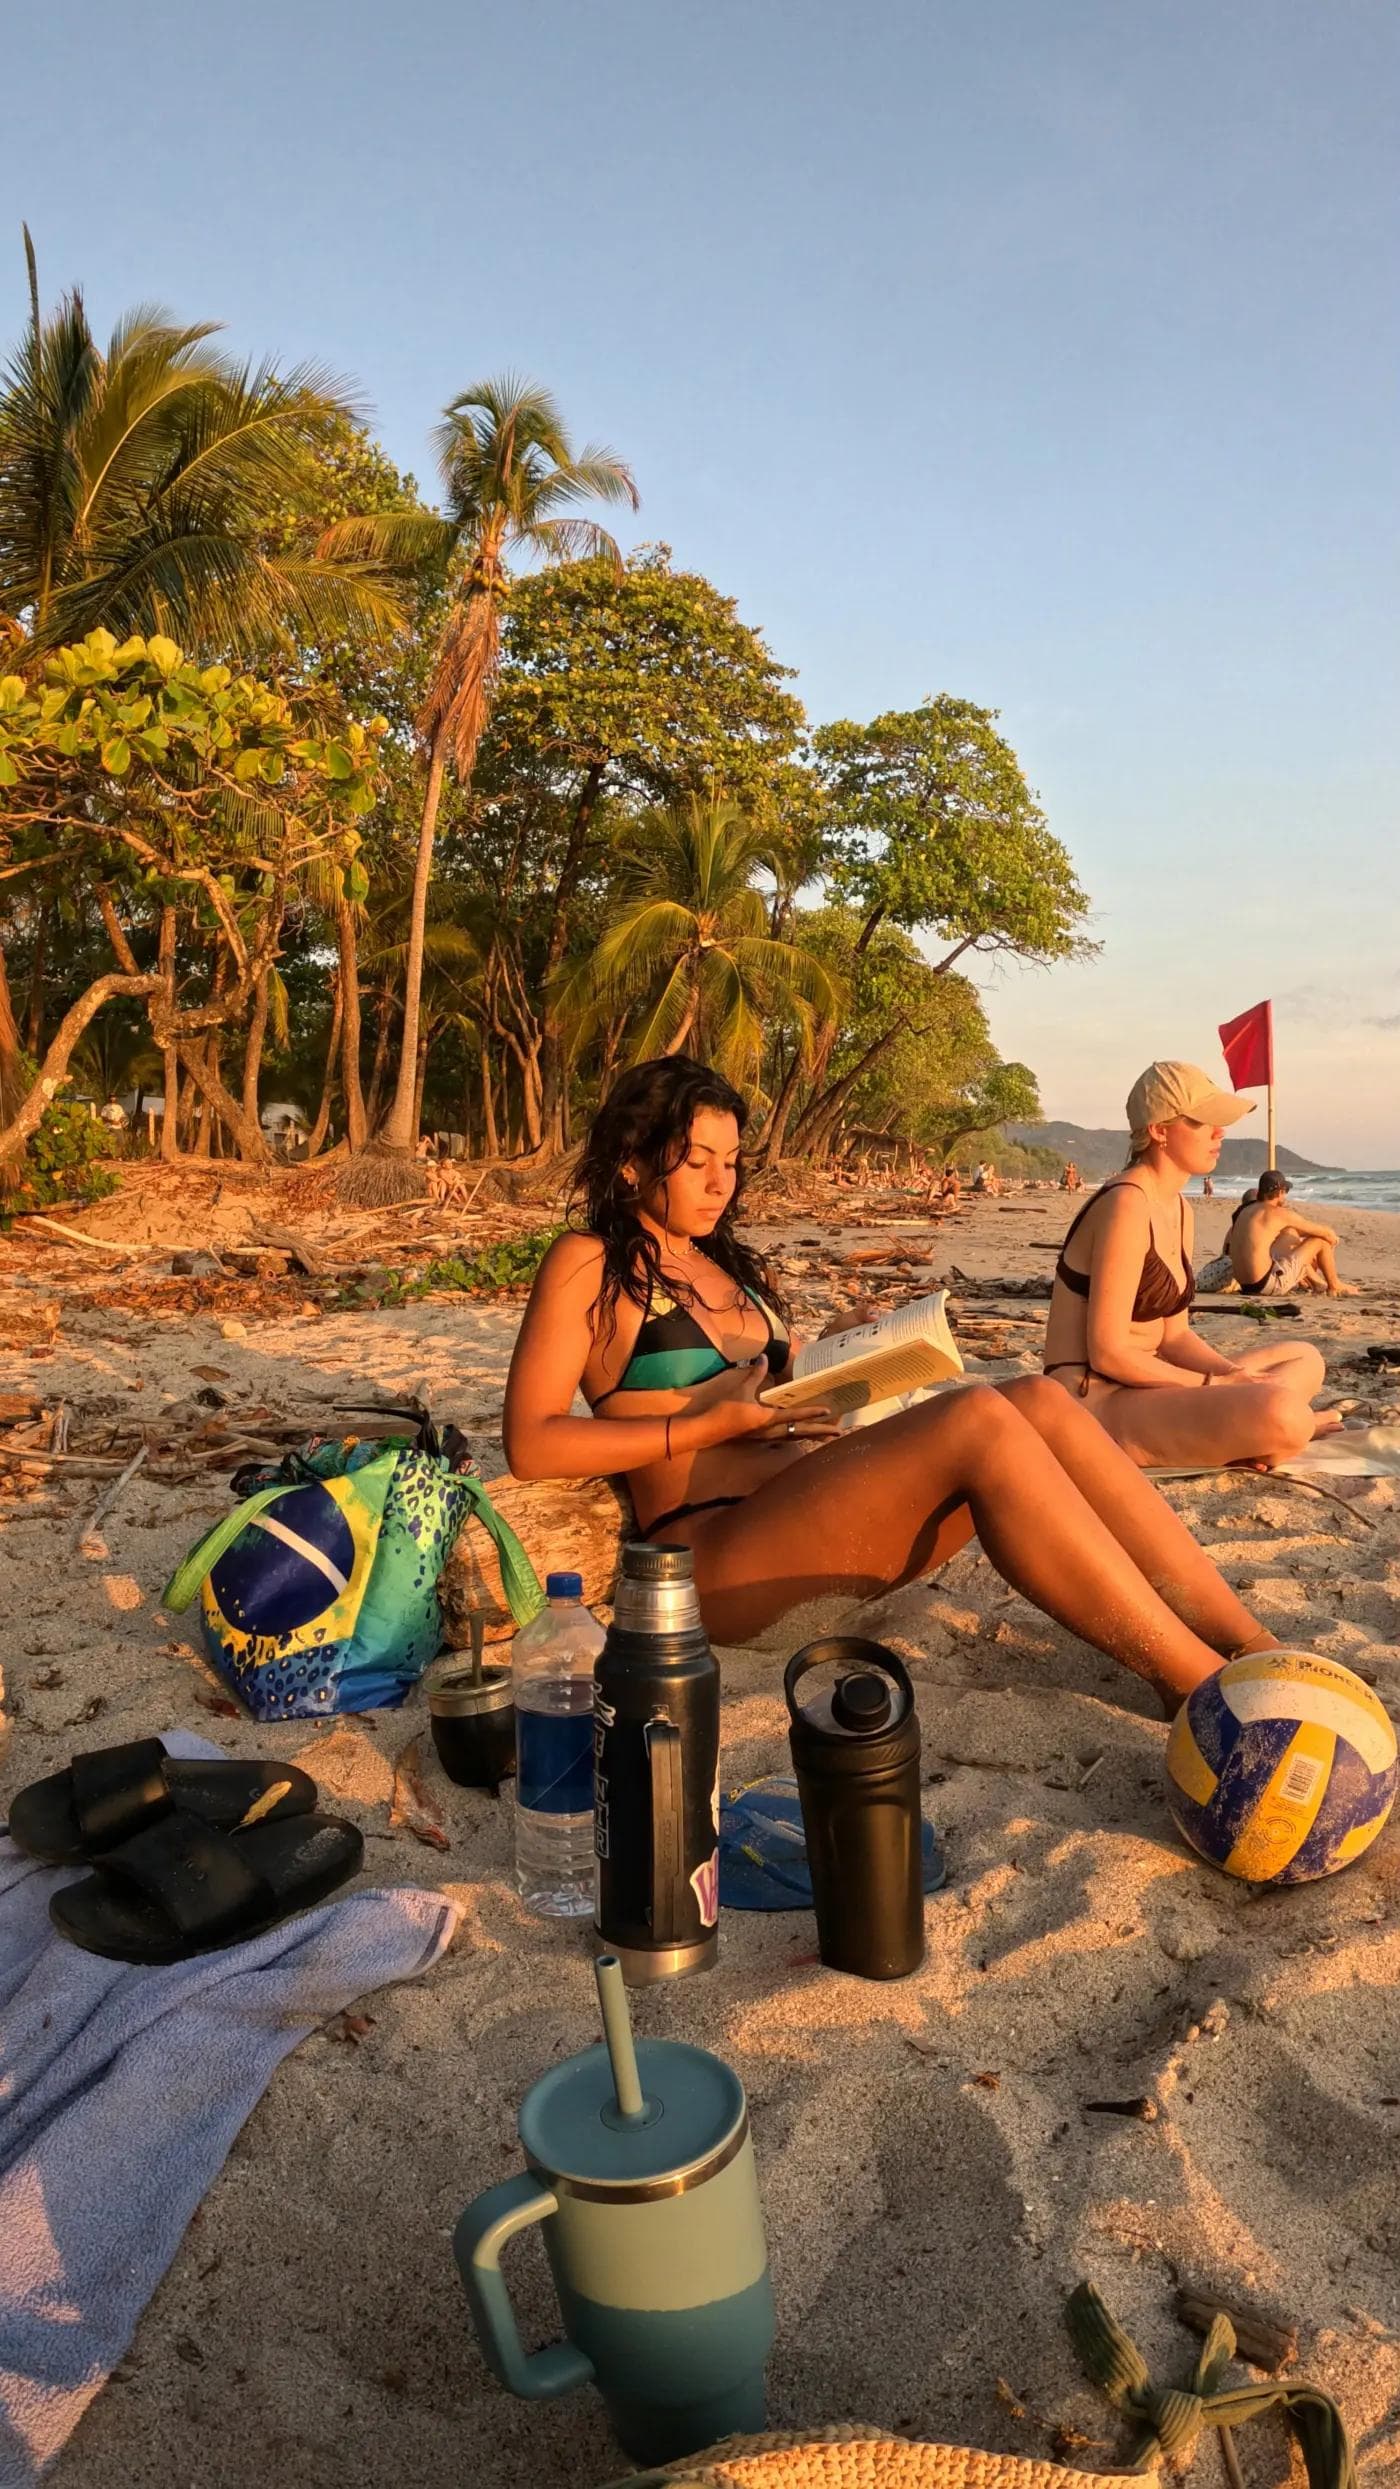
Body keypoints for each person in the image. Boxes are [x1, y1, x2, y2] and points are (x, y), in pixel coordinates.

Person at [503, 1057, 1286, 1713]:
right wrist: (711, 1426)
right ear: (634, 1159)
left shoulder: (722, 1264)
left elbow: (774, 1388)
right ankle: (1195, 1685)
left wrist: (840, 1352)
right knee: (979, 1416)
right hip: (715, 1555)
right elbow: (531, 1441)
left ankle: (1251, 1641)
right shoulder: (588, 1261)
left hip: (815, 1512)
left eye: (732, 1161)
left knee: (1038, 1398)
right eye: (697, 1160)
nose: (720, 1183)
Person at [1041, 1060, 1337, 1471]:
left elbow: (1175, 1336)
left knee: (1306, 1360)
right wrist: (1216, 1386)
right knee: (1283, 1414)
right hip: (1092, 1401)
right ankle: (1274, 1433)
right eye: (1203, 1122)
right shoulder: (1126, 1204)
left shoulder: (1179, 1207)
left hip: (1146, 1383)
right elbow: (1107, 1353)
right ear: (1158, 1130)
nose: (1220, 1133)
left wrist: (1235, 1378)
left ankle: (1256, 1433)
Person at [1228, 1171, 1355, 1298]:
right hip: (1267, 1285)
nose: (1285, 1196)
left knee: (1289, 1232)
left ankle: (1316, 1283)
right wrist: (1332, 1242)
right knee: (1320, 1241)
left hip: (1245, 1285)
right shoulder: (1279, 1214)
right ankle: (1334, 1285)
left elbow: (1296, 1231)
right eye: (1286, 1191)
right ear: (1279, 1192)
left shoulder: (1244, 1211)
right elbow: (1325, 1233)